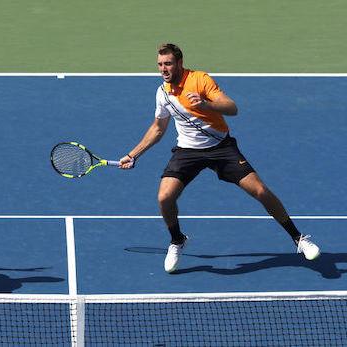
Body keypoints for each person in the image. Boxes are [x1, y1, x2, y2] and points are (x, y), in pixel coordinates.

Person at [119, 43, 320, 273]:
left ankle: (299, 238)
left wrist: (205, 104)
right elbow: (158, 128)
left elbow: (232, 108)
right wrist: (133, 155)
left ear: (180, 63)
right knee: (165, 197)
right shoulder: (162, 92)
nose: (163, 69)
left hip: (220, 148)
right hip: (187, 151)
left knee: (261, 191)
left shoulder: (200, 80)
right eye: (160, 64)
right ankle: (177, 240)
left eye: (168, 64)